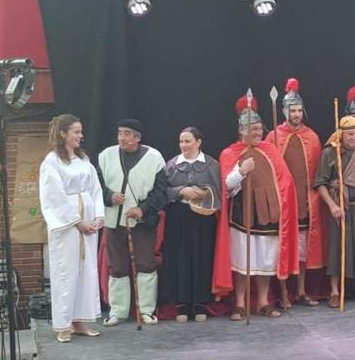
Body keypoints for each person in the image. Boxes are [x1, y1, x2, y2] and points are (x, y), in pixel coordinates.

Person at [212, 90, 299, 320]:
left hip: (269, 214)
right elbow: (226, 187)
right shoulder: (230, 153)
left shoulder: (271, 150)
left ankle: (263, 301)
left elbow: (285, 182)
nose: (257, 133)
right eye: (252, 129)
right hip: (242, 214)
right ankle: (240, 303)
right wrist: (241, 171)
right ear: (242, 131)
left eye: (260, 129)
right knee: (242, 261)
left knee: (265, 261)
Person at [39, 114, 104, 342]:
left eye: (80, 131)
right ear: (63, 133)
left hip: (87, 221)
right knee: (66, 272)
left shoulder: (83, 159)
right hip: (68, 225)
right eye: (76, 131)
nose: (80, 136)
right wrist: (77, 222)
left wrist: (98, 216)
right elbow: (53, 196)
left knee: (85, 271)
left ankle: (80, 321)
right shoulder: (52, 161)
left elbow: (95, 188)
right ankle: (64, 324)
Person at [97, 118, 167, 326]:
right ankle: (118, 311)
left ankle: (146, 310)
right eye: (119, 133)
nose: (121, 138)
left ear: (137, 137)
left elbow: (161, 192)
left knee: (145, 264)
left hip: (142, 223)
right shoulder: (105, 156)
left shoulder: (154, 158)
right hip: (114, 221)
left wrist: (142, 209)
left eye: (126, 133)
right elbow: (96, 186)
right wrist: (109, 196)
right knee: (117, 266)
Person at [266, 78, 325, 308]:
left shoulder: (312, 137)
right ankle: (282, 292)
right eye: (293, 110)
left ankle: (300, 291)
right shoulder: (274, 136)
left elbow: (318, 170)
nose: (297, 114)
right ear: (284, 111)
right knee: (284, 248)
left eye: (300, 110)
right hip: (283, 203)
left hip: (305, 201)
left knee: (301, 249)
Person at [314, 116, 355, 308]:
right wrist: (332, 206)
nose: (354, 138)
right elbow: (320, 183)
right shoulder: (331, 153)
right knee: (337, 248)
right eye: (350, 134)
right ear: (341, 134)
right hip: (340, 208)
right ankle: (334, 291)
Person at [159, 127, 221, 323]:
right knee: (180, 257)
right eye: (181, 142)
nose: (183, 145)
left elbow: (220, 191)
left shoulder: (212, 164)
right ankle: (181, 303)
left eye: (187, 141)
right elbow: (162, 192)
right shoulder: (172, 165)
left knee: (202, 256)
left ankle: (200, 302)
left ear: (198, 142)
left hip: (203, 217)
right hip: (179, 216)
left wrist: (205, 193)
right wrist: (181, 191)